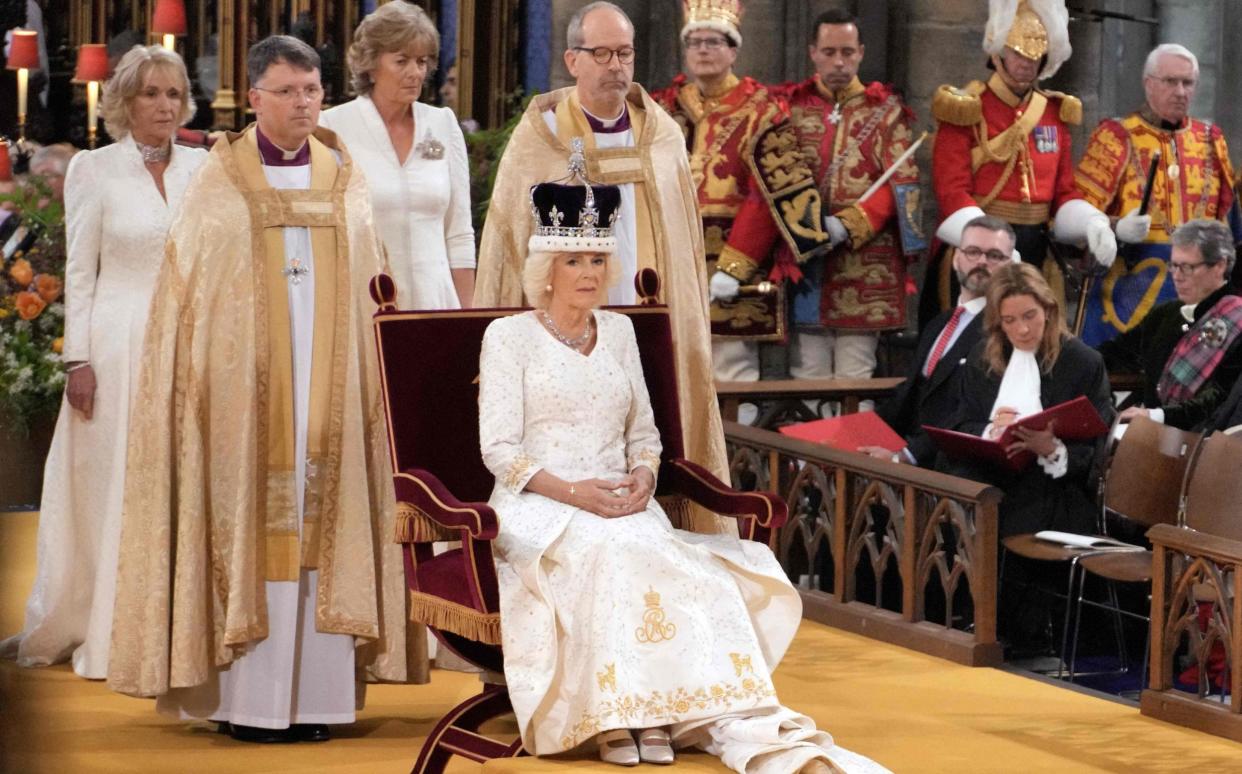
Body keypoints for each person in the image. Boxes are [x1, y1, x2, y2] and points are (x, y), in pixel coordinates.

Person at [479, 176, 888, 774]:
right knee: (606, 553)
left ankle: (659, 711)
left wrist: (644, 479)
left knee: (665, 554)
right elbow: (498, 449)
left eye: (598, 258)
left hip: (620, 498)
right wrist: (573, 492)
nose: (590, 272)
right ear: (547, 268)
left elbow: (645, 435)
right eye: (574, 260)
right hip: (539, 500)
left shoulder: (618, 332)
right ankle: (617, 717)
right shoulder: (507, 337)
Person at [106, 35, 422, 742]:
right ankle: (248, 702)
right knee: (253, 523)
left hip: (330, 391)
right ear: (253, 98)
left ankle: (317, 703)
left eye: (312, 91)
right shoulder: (219, 182)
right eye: (287, 91)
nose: (304, 103)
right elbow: (193, 298)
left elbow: (376, 284)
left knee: (323, 521)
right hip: (241, 401)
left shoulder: (344, 177)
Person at [474, 1, 729, 530]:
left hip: (654, 322)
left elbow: (683, 246)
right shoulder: (539, 137)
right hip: (566, 329)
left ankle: (660, 515)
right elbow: (508, 248)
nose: (616, 65)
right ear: (572, 59)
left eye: (626, 53)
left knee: (655, 432)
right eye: (603, 53)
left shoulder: (660, 135)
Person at [0, 45, 206, 680]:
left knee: (180, 479)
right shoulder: (94, 169)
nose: (164, 105)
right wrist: (79, 360)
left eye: (173, 94)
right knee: (113, 479)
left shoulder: (205, 168)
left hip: (191, 345)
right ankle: (108, 622)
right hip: (115, 345)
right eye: (150, 93)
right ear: (124, 101)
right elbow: (81, 273)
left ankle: (177, 622)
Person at [716, 8, 924, 389]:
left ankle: (847, 450)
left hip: (865, 265)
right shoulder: (789, 110)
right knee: (806, 375)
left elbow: (904, 185)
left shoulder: (887, 113)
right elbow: (766, 188)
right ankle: (805, 451)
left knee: (855, 375)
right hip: (804, 266)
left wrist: (850, 224)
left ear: (861, 52)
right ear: (813, 52)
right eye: (829, 52)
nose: (839, 61)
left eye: (847, 52)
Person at [925, 0, 1115, 324]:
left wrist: (1092, 223)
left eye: (1034, 54)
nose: (1026, 62)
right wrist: (992, 248)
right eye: (1017, 52)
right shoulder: (966, 108)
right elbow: (951, 191)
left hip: (1034, 251)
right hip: (977, 250)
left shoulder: (1055, 113)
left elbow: (1063, 193)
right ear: (999, 52)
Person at [650, 0, 783, 424]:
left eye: (713, 41)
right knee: (672, 361)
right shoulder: (662, 108)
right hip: (673, 251)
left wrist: (736, 264)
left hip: (735, 255)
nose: (703, 49)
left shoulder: (763, 109)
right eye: (694, 42)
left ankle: (737, 470)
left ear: (733, 50)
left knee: (732, 368)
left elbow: (769, 193)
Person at [1075, 43, 1239, 345]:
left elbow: (1228, 226)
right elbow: (1078, 217)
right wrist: (1115, 226)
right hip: (1130, 292)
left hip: (1202, 292)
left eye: (1187, 82)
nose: (1180, 91)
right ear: (1148, 83)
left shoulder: (1211, 140)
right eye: (1170, 81)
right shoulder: (1115, 136)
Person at [320, 1, 475, 310]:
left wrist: (469, 314)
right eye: (401, 61)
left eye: (422, 61)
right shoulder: (334, 127)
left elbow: (459, 233)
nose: (415, 73)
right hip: (365, 303)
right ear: (370, 63)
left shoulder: (442, 123)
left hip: (437, 303)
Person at [951, 262, 1114, 539]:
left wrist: (1051, 448)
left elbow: (1096, 448)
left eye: (1030, 316)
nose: (1023, 330)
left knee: (1021, 509)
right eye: (1010, 321)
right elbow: (961, 423)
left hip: (1054, 487)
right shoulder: (982, 358)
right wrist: (992, 430)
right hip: (988, 478)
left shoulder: (1082, 362)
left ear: (1048, 311)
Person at [863, 216, 1016, 467]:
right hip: (902, 449)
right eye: (973, 252)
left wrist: (907, 455)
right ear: (956, 258)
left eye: (994, 256)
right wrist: (853, 431)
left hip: (948, 465)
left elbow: (973, 414)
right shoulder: (939, 324)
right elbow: (910, 395)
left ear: (1010, 266)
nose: (981, 262)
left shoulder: (1005, 331)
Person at [1099, 219, 1241, 430]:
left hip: (1209, 447)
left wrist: (1156, 416)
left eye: (1187, 267)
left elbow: (1221, 398)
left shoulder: (1236, 319)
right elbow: (1116, 354)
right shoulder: (1166, 313)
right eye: (1173, 265)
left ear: (1219, 265)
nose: (1176, 276)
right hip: (1150, 438)